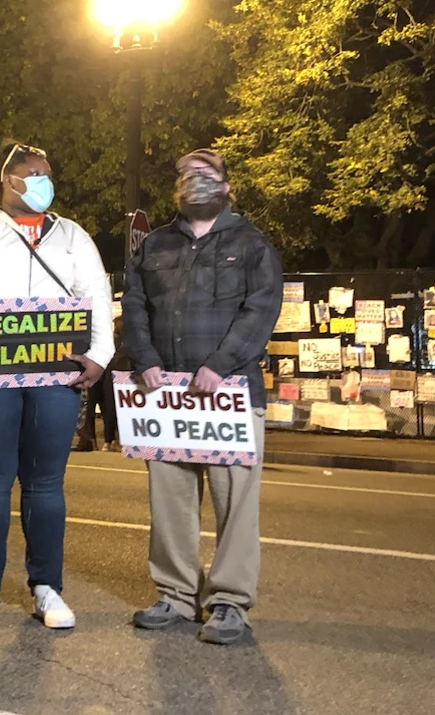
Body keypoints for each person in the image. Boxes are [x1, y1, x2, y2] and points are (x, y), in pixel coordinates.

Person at [0, 142, 114, 631]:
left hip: (56, 373)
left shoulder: (72, 236)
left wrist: (98, 355)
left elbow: (96, 295)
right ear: (6, 180)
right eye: (31, 173)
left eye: (46, 173)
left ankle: (46, 589)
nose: (41, 182)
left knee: (46, 485)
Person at [122, 148, 282, 645]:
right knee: (169, 501)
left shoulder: (252, 244)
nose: (196, 181)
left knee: (235, 504)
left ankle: (230, 602)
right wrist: (144, 361)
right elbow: (134, 308)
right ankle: (174, 594)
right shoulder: (152, 246)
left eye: (207, 174)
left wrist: (219, 364)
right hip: (164, 396)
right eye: (187, 174)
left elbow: (260, 310)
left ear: (227, 186)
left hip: (229, 393)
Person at [74, 315, 126, 452]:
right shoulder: (109, 337)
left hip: (100, 370)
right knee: (106, 406)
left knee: (96, 406)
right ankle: (105, 440)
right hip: (104, 369)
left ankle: (95, 440)